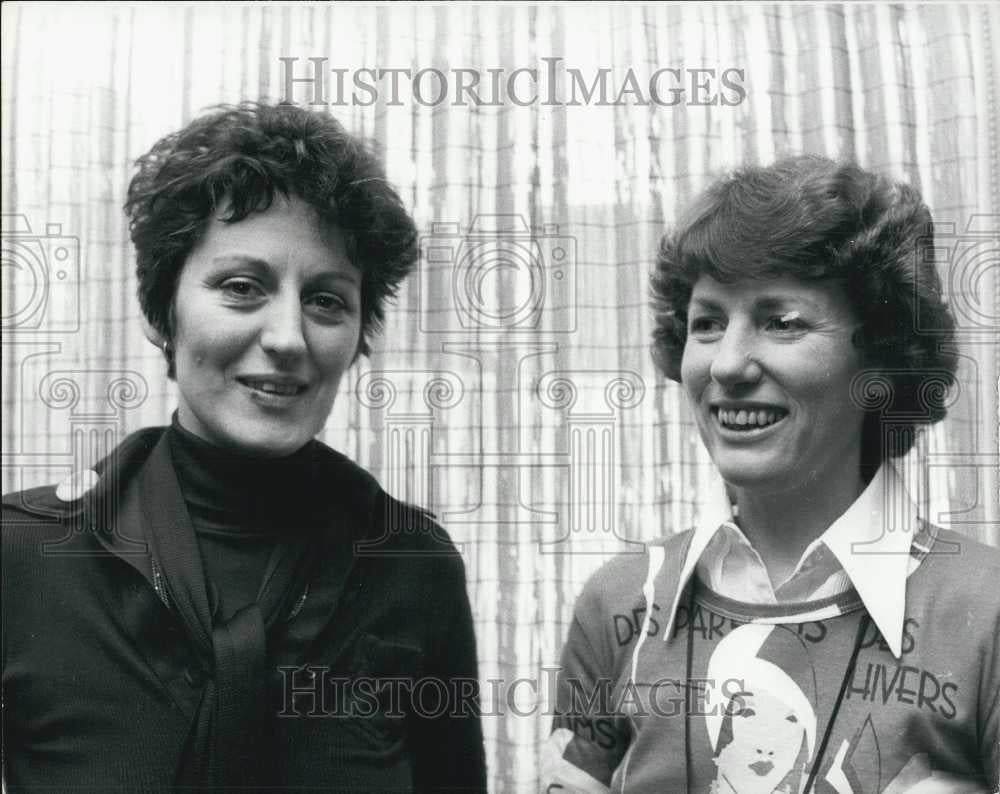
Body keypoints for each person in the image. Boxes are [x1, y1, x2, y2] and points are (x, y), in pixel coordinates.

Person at [2, 102, 487, 792]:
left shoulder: (413, 566)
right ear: (159, 310)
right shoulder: (22, 557)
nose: (288, 337)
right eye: (241, 287)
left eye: (326, 300)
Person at [541, 155, 999, 793]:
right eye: (707, 323)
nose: (727, 363)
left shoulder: (986, 609)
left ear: (883, 359)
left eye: (781, 322)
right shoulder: (617, 606)